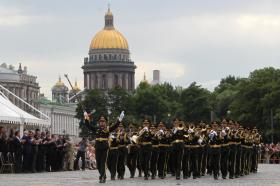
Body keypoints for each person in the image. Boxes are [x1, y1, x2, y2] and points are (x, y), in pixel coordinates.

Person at [83, 111, 124, 183]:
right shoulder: (96, 128)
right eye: (100, 121)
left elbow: (115, 126)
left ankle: (102, 177)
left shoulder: (108, 129)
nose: (102, 122)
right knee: (98, 163)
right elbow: (88, 125)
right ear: (99, 122)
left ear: (105, 122)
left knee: (103, 162)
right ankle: (103, 175)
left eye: (103, 121)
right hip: (98, 146)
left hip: (105, 147)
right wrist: (86, 117)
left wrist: (120, 119)